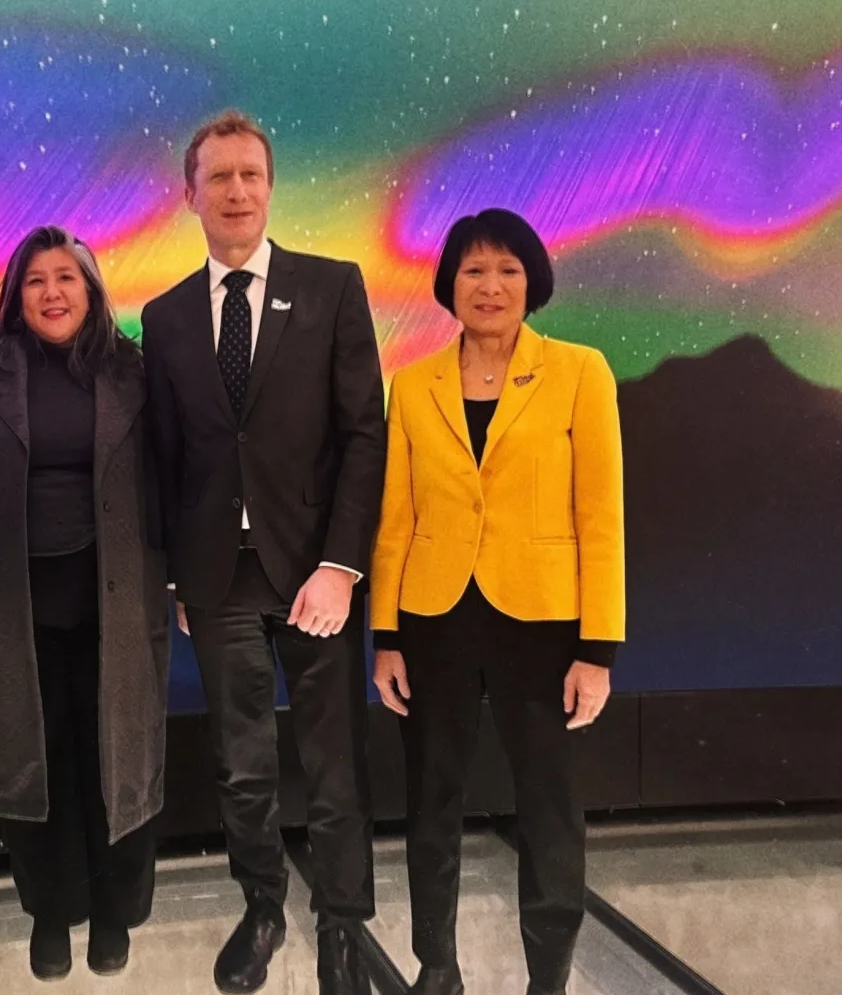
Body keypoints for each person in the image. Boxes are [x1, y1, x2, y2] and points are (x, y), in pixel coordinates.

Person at [141, 110, 386, 995]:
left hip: (316, 572)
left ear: (270, 186)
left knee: (332, 763)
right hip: (218, 582)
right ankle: (264, 905)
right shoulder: (164, 318)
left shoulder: (332, 287)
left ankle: (343, 927)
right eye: (219, 177)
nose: (236, 191)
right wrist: (174, 570)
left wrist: (343, 565)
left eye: (251, 175)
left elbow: (366, 434)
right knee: (243, 765)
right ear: (190, 193)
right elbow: (165, 456)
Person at [369, 208, 625, 995]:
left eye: (508, 270)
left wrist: (597, 649)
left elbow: (600, 515)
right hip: (434, 617)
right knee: (431, 799)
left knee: (549, 806)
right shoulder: (413, 383)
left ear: (532, 281)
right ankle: (436, 966)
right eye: (474, 270)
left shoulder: (582, 371)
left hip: (543, 622)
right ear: (449, 282)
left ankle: (547, 974)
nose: (490, 286)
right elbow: (396, 516)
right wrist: (385, 634)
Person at [0, 226, 170, 981]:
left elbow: (168, 478)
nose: (52, 292)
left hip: (116, 605)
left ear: (92, 290)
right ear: (17, 295)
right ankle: (51, 914)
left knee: (117, 760)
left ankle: (115, 916)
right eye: (37, 280)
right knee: (36, 764)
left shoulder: (133, 372)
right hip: (19, 610)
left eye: (66, 279)